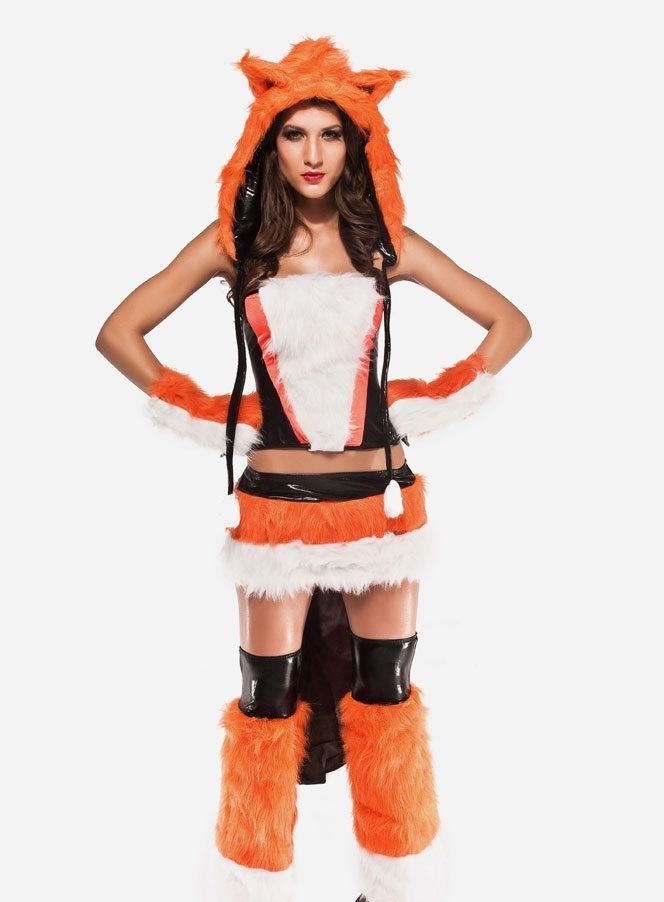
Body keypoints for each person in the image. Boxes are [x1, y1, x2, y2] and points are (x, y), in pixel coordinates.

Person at [95, 36, 531, 902]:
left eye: (330, 134)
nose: (312, 153)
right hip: (276, 510)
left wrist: (418, 403)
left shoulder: (385, 246)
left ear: (356, 144)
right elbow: (118, 333)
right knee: (266, 704)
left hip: (379, 504)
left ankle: (397, 888)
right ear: (268, 142)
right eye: (294, 134)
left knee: (387, 697)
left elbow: (508, 324)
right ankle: (254, 888)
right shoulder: (237, 245)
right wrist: (215, 414)